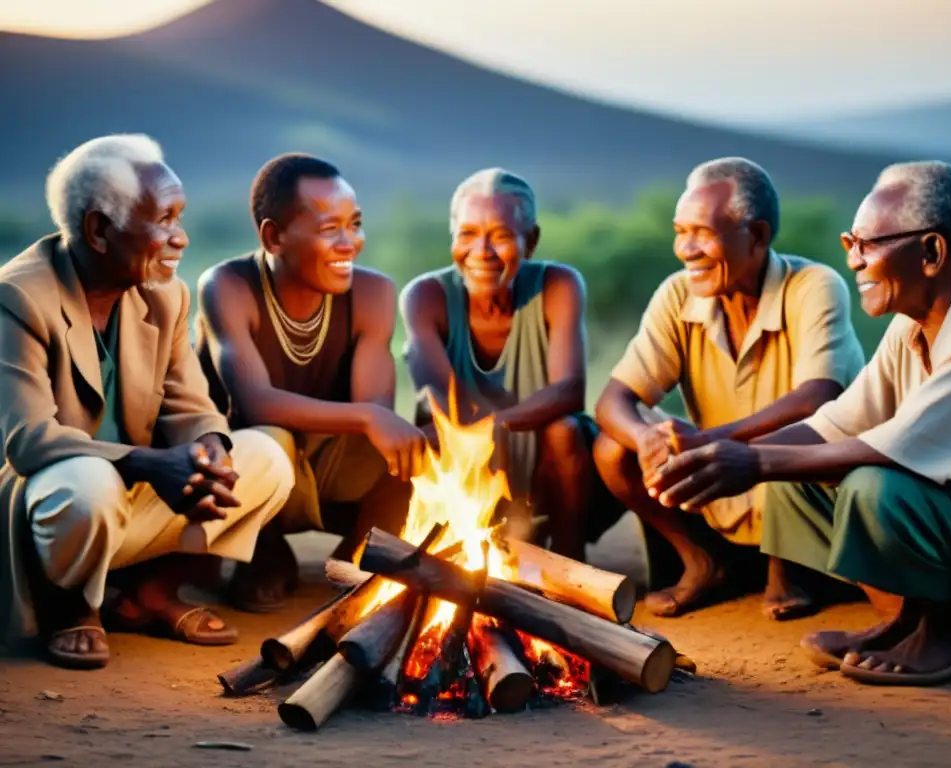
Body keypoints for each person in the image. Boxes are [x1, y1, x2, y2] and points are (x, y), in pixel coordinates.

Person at [646, 160, 951, 686]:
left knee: (878, 487)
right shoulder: (912, 324)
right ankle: (905, 621)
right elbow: (838, 423)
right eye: (850, 241)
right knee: (794, 480)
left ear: (932, 252)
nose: (853, 260)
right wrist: (720, 461)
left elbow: (894, 449)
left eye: (867, 244)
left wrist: (751, 459)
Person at [0, 135, 295, 670]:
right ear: (98, 230)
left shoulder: (166, 294)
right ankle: (69, 607)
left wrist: (208, 452)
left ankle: (150, 593)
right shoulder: (17, 297)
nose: (179, 238)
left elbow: (191, 404)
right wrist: (154, 463)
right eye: (164, 218)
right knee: (89, 485)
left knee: (268, 456)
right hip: (54, 510)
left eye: (180, 216)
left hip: (132, 494)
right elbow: (28, 440)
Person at [594, 157, 864, 618]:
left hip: (806, 485)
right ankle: (705, 561)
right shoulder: (679, 294)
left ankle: (792, 563)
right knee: (611, 449)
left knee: (791, 434)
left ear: (756, 236)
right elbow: (612, 401)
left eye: (701, 232)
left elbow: (817, 399)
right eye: (680, 231)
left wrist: (712, 442)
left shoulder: (814, 286)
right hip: (720, 485)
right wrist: (647, 439)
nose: (685, 248)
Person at [195, 153, 426, 612]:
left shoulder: (373, 293)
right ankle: (262, 551)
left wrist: (374, 418)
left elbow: (375, 413)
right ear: (273, 236)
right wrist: (367, 416)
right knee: (268, 438)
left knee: (419, 445)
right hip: (247, 462)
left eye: (355, 224)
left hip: (327, 460)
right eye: (329, 229)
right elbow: (255, 403)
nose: (350, 243)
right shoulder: (228, 286)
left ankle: (360, 554)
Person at [400, 168, 597, 561]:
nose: (482, 252)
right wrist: (481, 434)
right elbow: (442, 400)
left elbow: (570, 391)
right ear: (453, 237)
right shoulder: (425, 296)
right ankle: (458, 546)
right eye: (468, 234)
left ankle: (569, 557)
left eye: (501, 236)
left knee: (566, 430)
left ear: (532, 241)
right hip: (470, 456)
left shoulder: (559, 285)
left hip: (549, 467)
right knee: (426, 430)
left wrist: (496, 426)